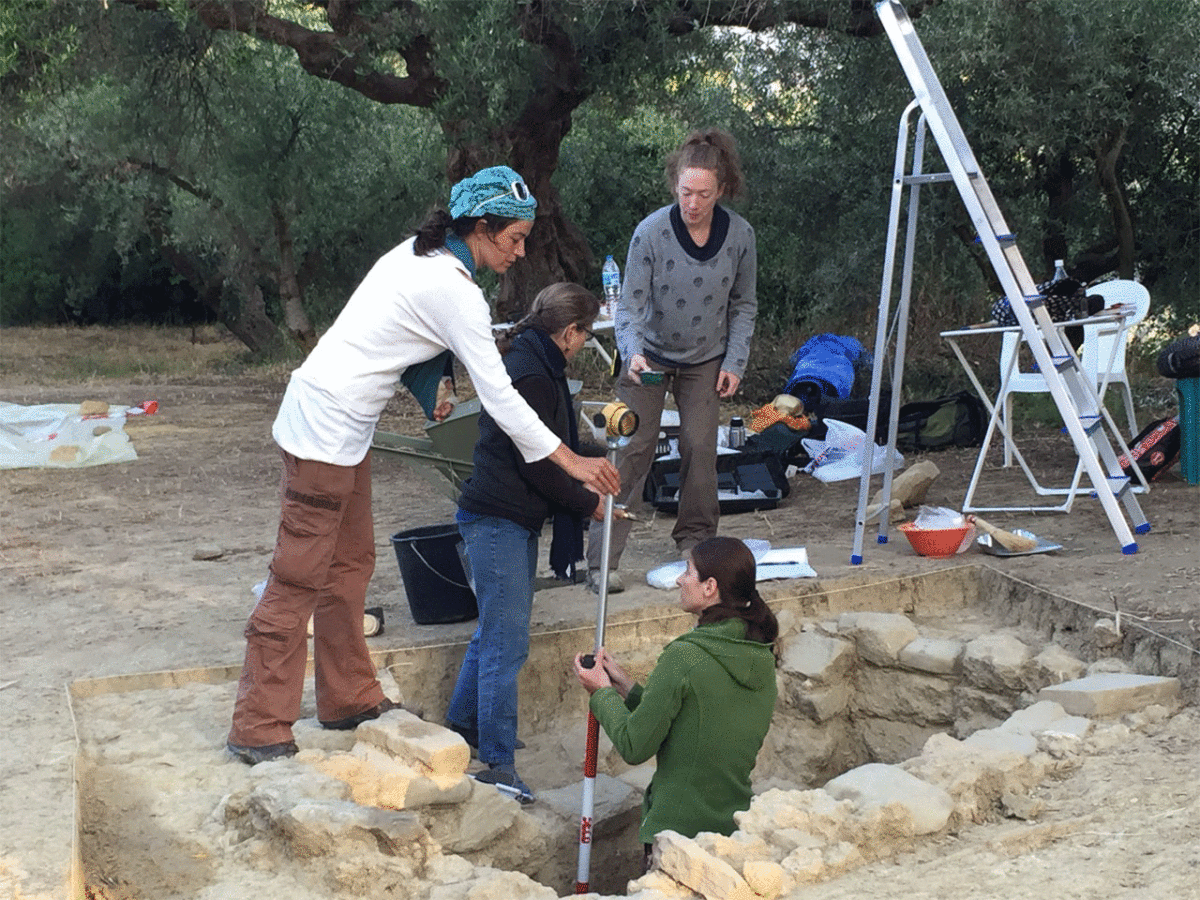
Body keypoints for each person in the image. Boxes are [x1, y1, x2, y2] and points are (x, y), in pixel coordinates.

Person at [226, 166, 620, 765]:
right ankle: (257, 725)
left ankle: (348, 697)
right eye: (512, 238)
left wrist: (428, 386)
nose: (519, 251)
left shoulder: (420, 255)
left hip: (344, 429)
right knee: (298, 577)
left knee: (351, 566)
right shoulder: (453, 287)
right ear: (480, 228)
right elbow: (500, 396)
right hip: (322, 431)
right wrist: (571, 461)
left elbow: (395, 335)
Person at [447, 283, 607, 802]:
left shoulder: (530, 359)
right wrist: (588, 503)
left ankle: (463, 729)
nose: (584, 343)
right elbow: (538, 463)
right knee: (505, 643)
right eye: (585, 334)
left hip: (497, 516)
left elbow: (551, 448)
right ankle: (497, 762)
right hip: (500, 519)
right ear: (569, 333)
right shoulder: (536, 376)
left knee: (492, 631)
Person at [587, 128, 757, 593]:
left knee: (700, 449)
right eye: (685, 192)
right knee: (631, 448)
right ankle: (602, 559)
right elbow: (630, 306)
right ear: (674, 187)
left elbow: (744, 304)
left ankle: (697, 547)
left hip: (706, 360)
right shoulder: (651, 233)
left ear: (721, 189)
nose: (693, 203)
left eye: (703, 193)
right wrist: (633, 351)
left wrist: (735, 361)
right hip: (650, 357)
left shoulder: (740, 236)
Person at [573, 536, 778, 863]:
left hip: (676, 834)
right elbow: (693, 721)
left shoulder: (686, 657)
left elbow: (634, 744)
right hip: (730, 827)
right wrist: (625, 685)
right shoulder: (760, 654)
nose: (680, 580)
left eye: (688, 571)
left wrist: (601, 694)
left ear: (710, 587)